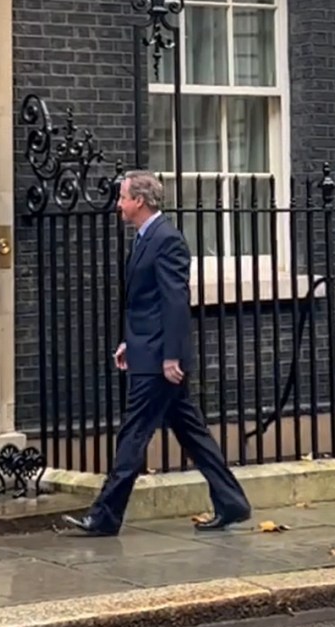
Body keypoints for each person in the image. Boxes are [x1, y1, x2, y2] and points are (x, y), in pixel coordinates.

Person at [61, 170, 251, 536]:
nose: (118, 204)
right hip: (147, 351)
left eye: (122, 197)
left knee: (132, 435)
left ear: (139, 201)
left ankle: (104, 517)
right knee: (193, 433)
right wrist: (128, 343)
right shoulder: (145, 238)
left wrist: (170, 357)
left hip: (159, 363)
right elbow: (144, 304)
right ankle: (232, 502)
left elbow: (175, 302)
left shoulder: (167, 240)